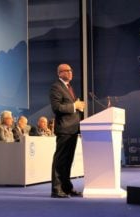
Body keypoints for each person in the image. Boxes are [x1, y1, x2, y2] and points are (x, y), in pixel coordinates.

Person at [49, 63, 85, 198]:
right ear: (60, 73)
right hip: (64, 128)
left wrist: (78, 107)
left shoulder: (69, 87)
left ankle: (67, 188)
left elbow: (69, 106)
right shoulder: (56, 87)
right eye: (67, 70)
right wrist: (74, 106)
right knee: (60, 160)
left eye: (71, 70)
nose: (70, 72)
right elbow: (57, 107)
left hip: (73, 128)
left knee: (68, 161)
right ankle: (56, 189)